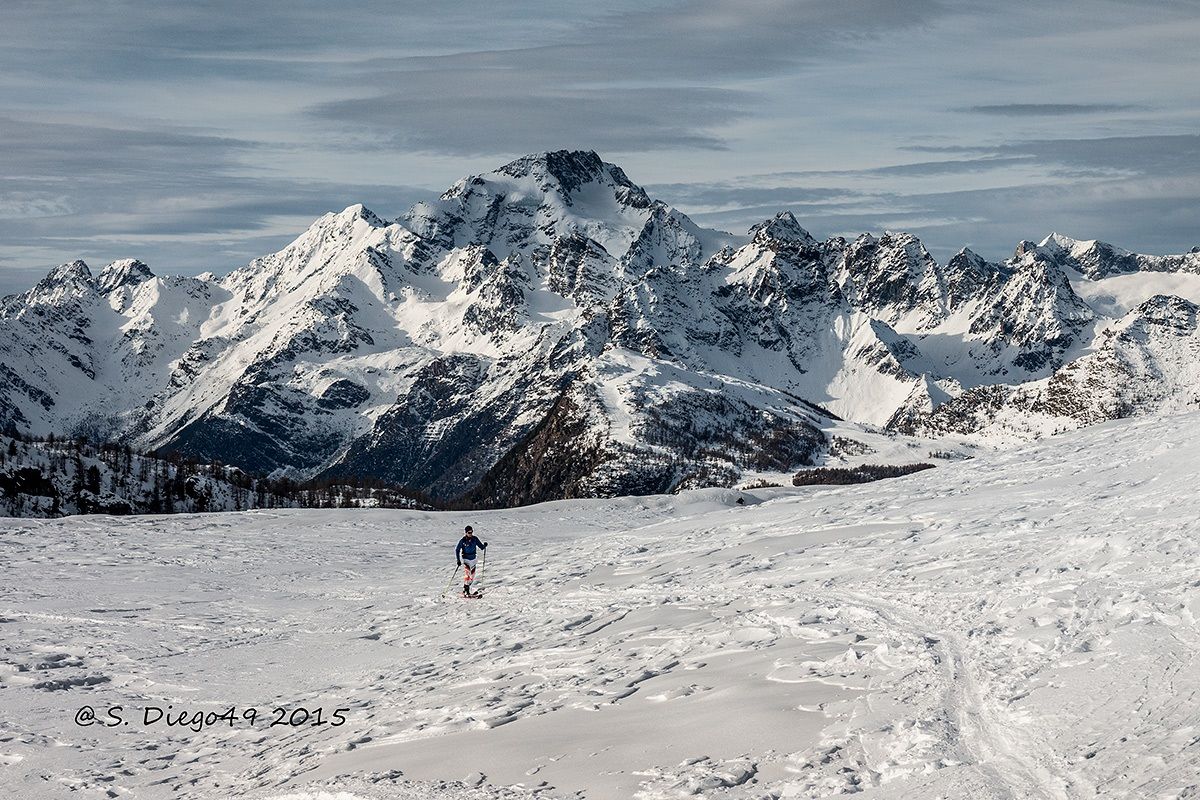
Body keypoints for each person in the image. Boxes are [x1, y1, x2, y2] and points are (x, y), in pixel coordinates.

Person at [455, 525, 488, 597]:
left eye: (471, 532)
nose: (470, 534)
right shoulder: (463, 540)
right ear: (466, 532)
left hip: (473, 560)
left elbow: (481, 547)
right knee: (468, 574)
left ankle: (465, 588)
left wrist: (484, 546)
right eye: (469, 532)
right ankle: (466, 590)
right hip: (466, 559)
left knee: (472, 577)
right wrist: (458, 560)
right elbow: (457, 550)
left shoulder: (475, 539)